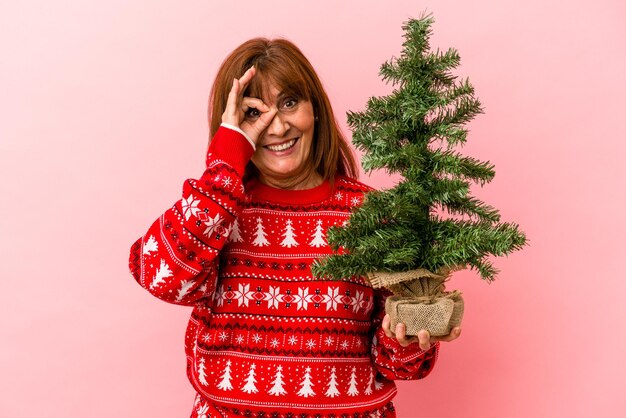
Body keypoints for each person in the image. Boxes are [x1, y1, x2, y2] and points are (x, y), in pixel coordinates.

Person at [129, 37, 461, 418]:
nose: (278, 125)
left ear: (314, 109)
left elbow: (399, 366)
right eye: (254, 112)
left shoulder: (373, 214)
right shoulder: (217, 209)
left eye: (289, 102)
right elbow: (161, 277)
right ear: (232, 123)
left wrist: (409, 341)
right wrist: (225, 165)